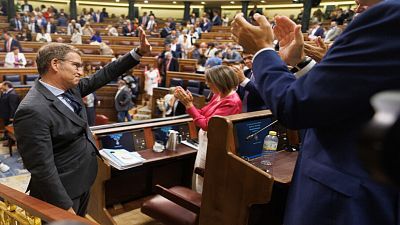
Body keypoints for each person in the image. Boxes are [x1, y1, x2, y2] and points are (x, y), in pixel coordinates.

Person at [231, 0, 400, 224]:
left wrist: (262, 50)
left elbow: (294, 106)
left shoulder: (391, 15)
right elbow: (349, 95)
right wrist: (301, 64)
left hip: (343, 204)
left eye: (362, 2)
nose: (357, 6)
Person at [13, 27, 151, 216]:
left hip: (83, 180)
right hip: (61, 193)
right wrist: (63, 206)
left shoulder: (70, 89)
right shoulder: (32, 109)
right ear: (55, 64)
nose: (81, 71)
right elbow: (41, 167)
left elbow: (104, 74)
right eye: (76, 65)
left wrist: (137, 53)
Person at [174, 65, 242, 193]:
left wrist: (188, 105)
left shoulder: (232, 101)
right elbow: (204, 113)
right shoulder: (219, 95)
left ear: (219, 81)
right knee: (198, 174)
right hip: (205, 141)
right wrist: (190, 103)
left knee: (204, 177)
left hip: (214, 143)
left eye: (209, 81)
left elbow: (207, 124)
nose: (207, 84)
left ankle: (201, 207)